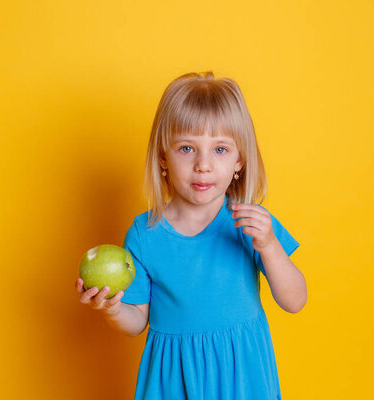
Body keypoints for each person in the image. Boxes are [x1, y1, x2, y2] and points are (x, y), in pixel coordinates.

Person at [75, 71, 307, 399]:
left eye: (220, 150)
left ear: (239, 161)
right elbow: (137, 320)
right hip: (175, 378)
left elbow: (295, 300)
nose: (203, 165)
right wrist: (112, 308)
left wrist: (269, 247)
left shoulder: (251, 224)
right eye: (187, 148)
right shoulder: (145, 235)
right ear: (163, 159)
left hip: (241, 373)